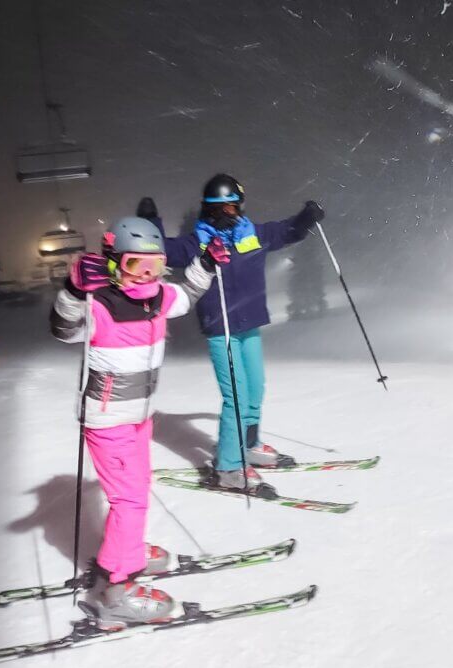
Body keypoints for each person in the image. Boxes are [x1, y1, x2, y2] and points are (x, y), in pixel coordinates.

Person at [50, 215, 229, 628]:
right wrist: (75, 290)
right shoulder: (100, 304)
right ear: (114, 263)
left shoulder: (159, 296)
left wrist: (205, 262)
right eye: (135, 265)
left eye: (155, 266)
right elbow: (63, 328)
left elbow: (186, 295)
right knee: (129, 499)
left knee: (138, 489)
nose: (146, 276)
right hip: (108, 419)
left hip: (139, 416)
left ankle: (124, 549)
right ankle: (117, 590)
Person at [137, 174, 324, 495]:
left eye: (232, 207)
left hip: (249, 323)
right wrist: (150, 223)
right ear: (207, 209)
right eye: (218, 208)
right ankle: (228, 467)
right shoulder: (196, 243)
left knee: (254, 389)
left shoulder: (253, 235)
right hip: (220, 329)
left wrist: (306, 218)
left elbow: (287, 231)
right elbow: (160, 250)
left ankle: (248, 445)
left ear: (240, 207)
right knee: (235, 398)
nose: (226, 213)